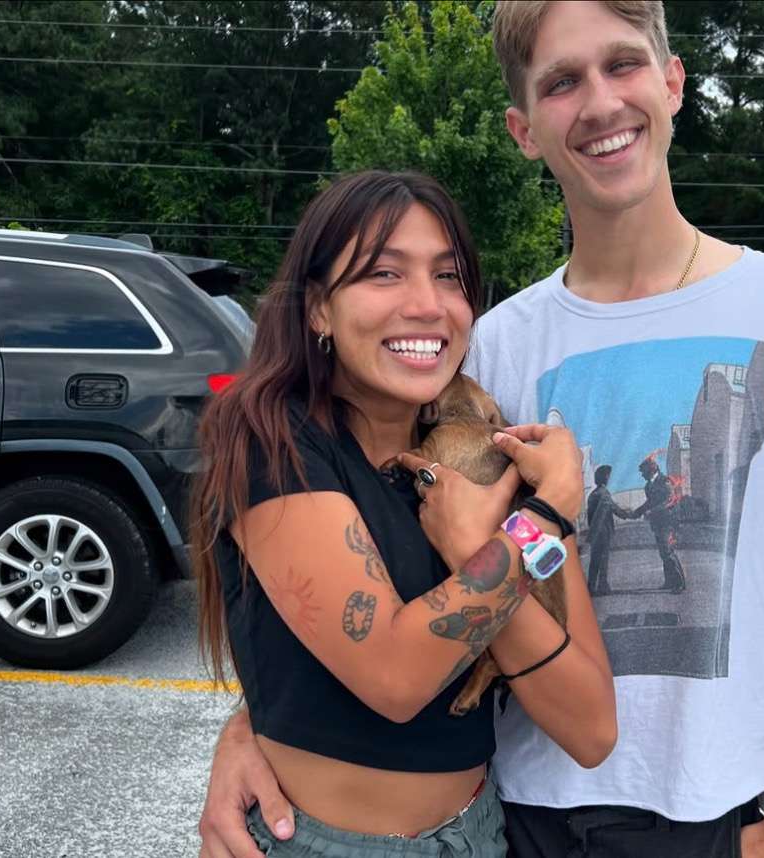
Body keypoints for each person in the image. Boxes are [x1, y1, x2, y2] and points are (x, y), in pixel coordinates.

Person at [198, 4, 764, 857]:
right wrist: (254, 727)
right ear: (523, 129)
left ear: (672, 80)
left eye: (622, 65)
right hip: (516, 814)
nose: (598, 103)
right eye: (560, 82)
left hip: (715, 819)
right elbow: (375, 569)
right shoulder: (492, 346)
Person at [191, 169, 615, 858]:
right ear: (319, 308)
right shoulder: (271, 439)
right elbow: (394, 677)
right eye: (384, 274)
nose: (427, 304)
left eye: (449, 278)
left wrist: (481, 536)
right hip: (322, 843)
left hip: (478, 835)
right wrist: (538, 523)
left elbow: (591, 727)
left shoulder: (482, 460)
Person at [629, 457, 685, 593]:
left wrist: (651, 511)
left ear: (651, 470)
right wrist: (634, 513)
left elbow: (669, 501)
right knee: (663, 553)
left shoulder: (665, 481)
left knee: (668, 551)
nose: (642, 475)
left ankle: (679, 584)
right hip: (657, 524)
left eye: (643, 472)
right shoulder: (648, 486)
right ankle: (669, 581)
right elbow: (649, 503)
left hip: (668, 522)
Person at [584, 464, 631, 595]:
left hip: (595, 533)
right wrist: (628, 514)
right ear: (604, 478)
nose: (609, 478)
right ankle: (602, 586)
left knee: (594, 560)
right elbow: (614, 509)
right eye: (608, 476)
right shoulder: (604, 494)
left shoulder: (592, 494)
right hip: (603, 532)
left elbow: (590, 516)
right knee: (603, 560)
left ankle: (591, 586)